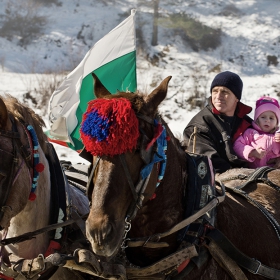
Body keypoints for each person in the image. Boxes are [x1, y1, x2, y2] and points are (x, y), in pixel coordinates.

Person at [183, 71, 253, 174]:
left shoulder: (247, 122)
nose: (218, 96)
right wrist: (247, 175)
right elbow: (210, 163)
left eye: (225, 92)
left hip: (251, 177)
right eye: (215, 91)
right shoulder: (199, 126)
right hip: (218, 184)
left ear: (236, 98)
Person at [233, 96, 280, 168]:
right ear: (257, 119)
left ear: (277, 122)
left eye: (271, 118)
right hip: (254, 173)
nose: (267, 120)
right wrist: (252, 152)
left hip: (275, 173)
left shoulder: (277, 135)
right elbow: (237, 145)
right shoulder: (250, 133)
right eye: (263, 117)